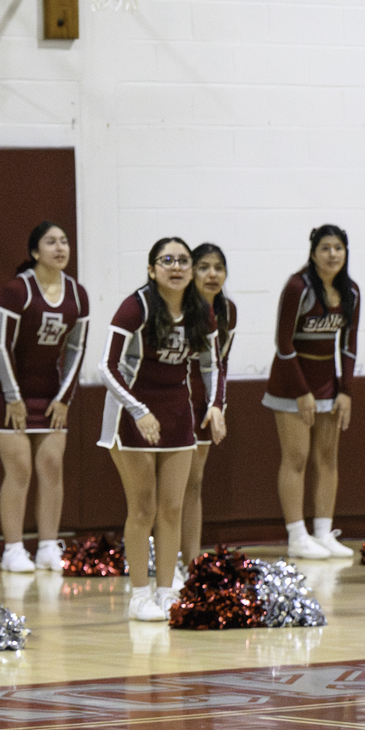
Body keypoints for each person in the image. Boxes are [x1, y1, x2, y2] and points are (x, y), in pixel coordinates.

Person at [98, 237, 221, 622]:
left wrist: (216, 406)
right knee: (143, 508)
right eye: (167, 260)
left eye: (183, 260)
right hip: (131, 413)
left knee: (172, 507)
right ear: (152, 269)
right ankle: (138, 595)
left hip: (177, 412)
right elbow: (107, 365)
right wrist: (138, 410)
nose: (177, 267)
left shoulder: (200, 310)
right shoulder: (136, 306)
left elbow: (212, 365)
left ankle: (167, 592)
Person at [0, 221, 90, 573]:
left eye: (65, 241)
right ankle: (12, 549)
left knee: (52, 464)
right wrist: (12, 397)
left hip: (47, 389)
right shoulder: (17, 291)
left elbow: (76, 348)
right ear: (35, 252)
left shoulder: (77, 294)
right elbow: (1, 346)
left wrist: (64, 398)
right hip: (2, 385)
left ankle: (47, 546)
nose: (60, 248)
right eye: (51, 242)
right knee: (20, 466)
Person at [263, 225, 360, 560]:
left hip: (327, 385)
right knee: (297, 457)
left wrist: (345, 390)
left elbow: (349, 346)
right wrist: (301, 391)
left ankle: (322, 532)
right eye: (325, 248)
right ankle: (296, 535)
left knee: (327, 459)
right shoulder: (298, 287)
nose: (332, 254)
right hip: (291, 383)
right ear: (313, 252)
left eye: (338, 248)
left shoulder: (352, 292)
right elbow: (283, 343)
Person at [180, 242, 234, 575]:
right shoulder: (179, 307)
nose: (211, 274)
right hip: (172, 401)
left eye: (218, 268)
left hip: (203, 403)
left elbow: (220, 365)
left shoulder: (229, 311)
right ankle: (169, 558)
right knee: (170, 486)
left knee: (194, 483)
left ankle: (191, 561)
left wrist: (218, 406)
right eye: (203, 267)